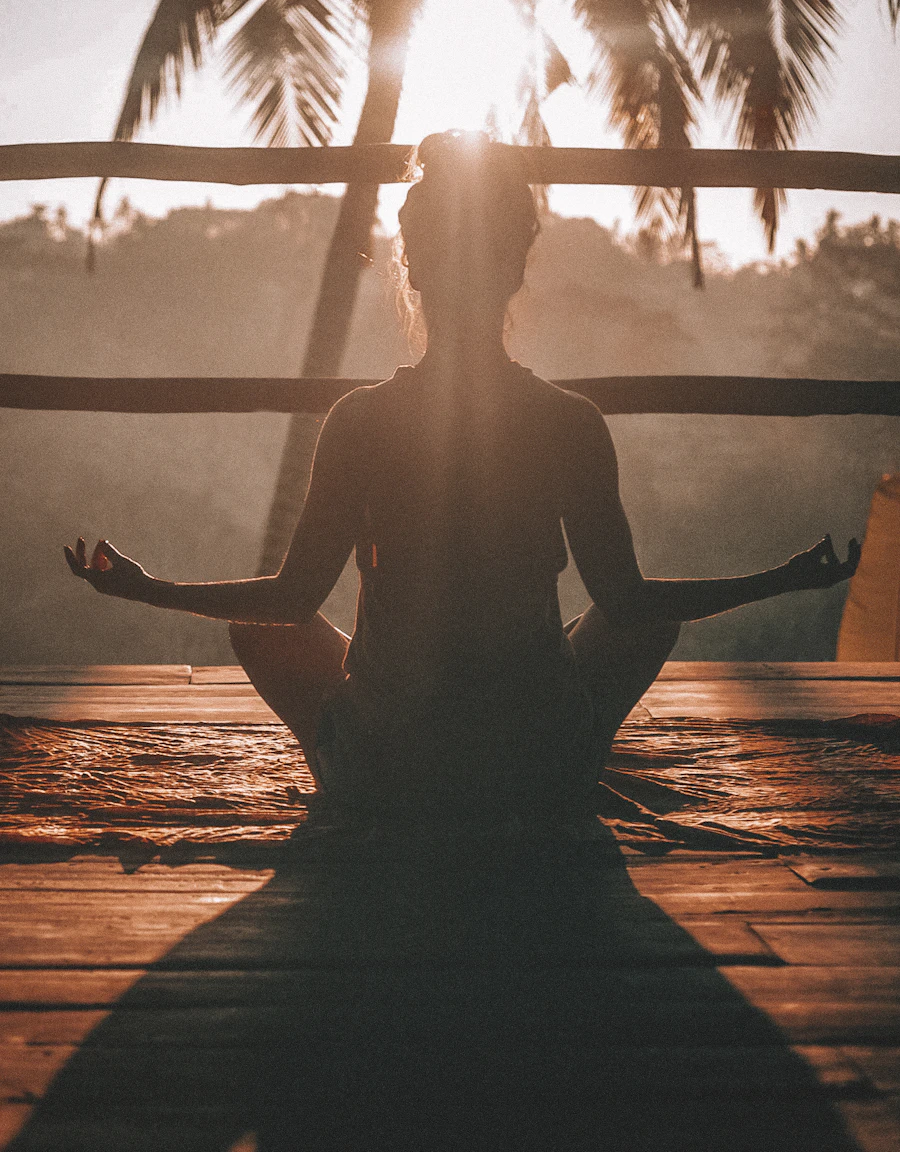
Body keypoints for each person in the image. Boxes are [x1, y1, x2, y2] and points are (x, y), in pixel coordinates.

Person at [65, 130, 860, 831]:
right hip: (535, 771)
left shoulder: (362, 420)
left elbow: (289, 600)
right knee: (645, 619)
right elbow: (629, 602)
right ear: (515, 268)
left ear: (412, 270)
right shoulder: (569, 421)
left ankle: (353, 773)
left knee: (259, 628)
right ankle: (563, 758)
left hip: (391, 776)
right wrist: (782, 579)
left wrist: (150, 588)